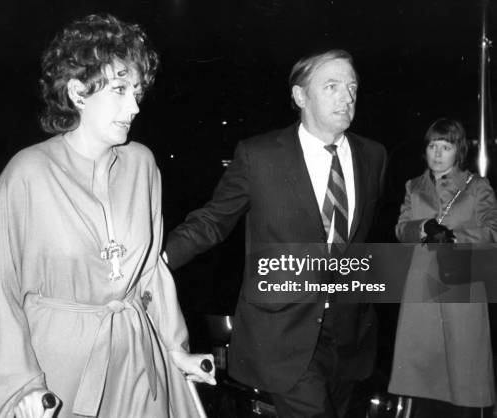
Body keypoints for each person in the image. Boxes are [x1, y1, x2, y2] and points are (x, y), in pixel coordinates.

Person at [0, 13, 215, 418]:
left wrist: (174, 348)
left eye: (138, 92)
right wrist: (21, 385)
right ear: (78, 92)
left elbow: (150, 275)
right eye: (120, 90)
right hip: (58, 373)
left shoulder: (142, 165)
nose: (135, 106)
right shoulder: (28, 173)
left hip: (135, 364)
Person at [165, 49, 387, 418]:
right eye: (331, 86)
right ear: (300, 97)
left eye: (352, 87)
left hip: (350, 335)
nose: (347, 97)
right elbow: (212, 221)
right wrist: (158, 260)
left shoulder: (373, 156)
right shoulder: (259, 156)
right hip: (284, 331)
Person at [388, 118, 496, 417]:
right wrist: (423, 227)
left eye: (445, 146)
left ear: (457, 151)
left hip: (461, 283)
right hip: (421, 287)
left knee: (464, 372)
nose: (437, 153)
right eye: (432, 146)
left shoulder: (477, 187)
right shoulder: (414, 186)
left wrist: (455, 236)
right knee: (421, 377)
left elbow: (492, 231)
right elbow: (400, 229)